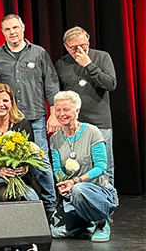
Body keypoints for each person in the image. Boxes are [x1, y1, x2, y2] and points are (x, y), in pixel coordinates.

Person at [0, 14, 59, 214]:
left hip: (35, 118)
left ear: (23, 28)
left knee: (42, 163)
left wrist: (53, 113)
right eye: (8, 29)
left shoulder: (39, 53)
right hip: (8, 122)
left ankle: (51, 208)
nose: (12, 32)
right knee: (9, 162)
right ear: (2, 32)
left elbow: (51, 84)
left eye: (15, 28)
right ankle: (18, 206)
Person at [49, 91, 117, 242]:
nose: (61, 114)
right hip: (72, 194)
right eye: (58, 110)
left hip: (97, 190)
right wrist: (63, 183)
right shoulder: (55, 139)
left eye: (66, 109)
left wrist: (75, 181)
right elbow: (57, 169)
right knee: (56, 232)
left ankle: (102, 222)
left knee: (79, 189)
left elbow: (101, 167)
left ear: (77, 110)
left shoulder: (92, 132)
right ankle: (86, 220)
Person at [55, 26, 117, 185]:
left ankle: (107, 197)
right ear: (66, 47)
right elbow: (59, 93)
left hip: (99, 121)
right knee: (75, 165)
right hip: (74, 124)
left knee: (104, 167)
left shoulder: (102, 57)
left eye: (83, 45)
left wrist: (89, 64)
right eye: (74, 47)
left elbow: (110, 84)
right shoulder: (61, 63)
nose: (80, 50)